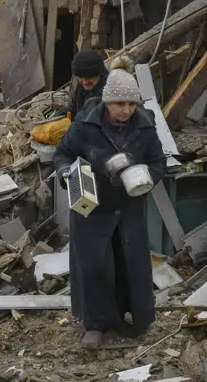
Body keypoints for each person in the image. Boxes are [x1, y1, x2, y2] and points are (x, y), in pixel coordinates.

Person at [53, 59, 167, 349]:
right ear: (107, 102)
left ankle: (134, 317)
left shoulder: (144, 126)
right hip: (93, 208)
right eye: (119, 104)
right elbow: (62, 154)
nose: (126, 110)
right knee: (94, 266)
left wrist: (147, 177)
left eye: (131, 104)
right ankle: (95, 325)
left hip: (128, 208)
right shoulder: (86, 125)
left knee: (129, 264)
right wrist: (68, 174)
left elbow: (158, 161)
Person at [65, 49, 108, 120]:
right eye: (80, 77)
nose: (85, 82)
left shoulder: (106, 95)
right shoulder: (80, 87)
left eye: (89, 77)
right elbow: (73, 107)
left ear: (100, 73)